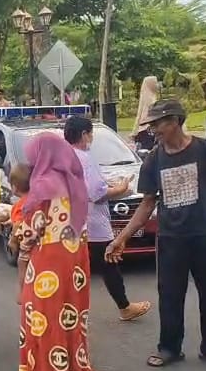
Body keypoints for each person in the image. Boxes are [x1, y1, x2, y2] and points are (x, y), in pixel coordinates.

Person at [106, 100, 206, 371]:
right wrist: (121, 237)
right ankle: (169, 348)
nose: (153, 129)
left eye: (158, 124)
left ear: (175, 121)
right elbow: (147, 203)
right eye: (151, 125)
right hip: (171, 239)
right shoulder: (153, 160)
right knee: (169, 295)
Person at [15, 132, 106, 371]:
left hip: (49, 261)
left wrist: (16, 228)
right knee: (71, 316)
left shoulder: (43, 186)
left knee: (44, 316)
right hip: (76, 258)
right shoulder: (72, 181)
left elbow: (32, 230)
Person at [64, 116, 152, 321]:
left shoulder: (65, 156)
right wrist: (120, 188)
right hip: (93, 219)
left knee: (77, 264)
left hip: (72, 219)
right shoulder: (84, 158)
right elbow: (96, 192)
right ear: (85, 134)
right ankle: (124, 307)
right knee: (108, 261)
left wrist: (107, 184)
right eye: (91, 133)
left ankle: (65, 308)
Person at [132, 76, 159, 150]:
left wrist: (135, 130)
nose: (157, 85)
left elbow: (139, 114)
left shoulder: (145, 97)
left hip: (142, 131)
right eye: (155, 83)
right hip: (148, 130)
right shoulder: (151, 100)